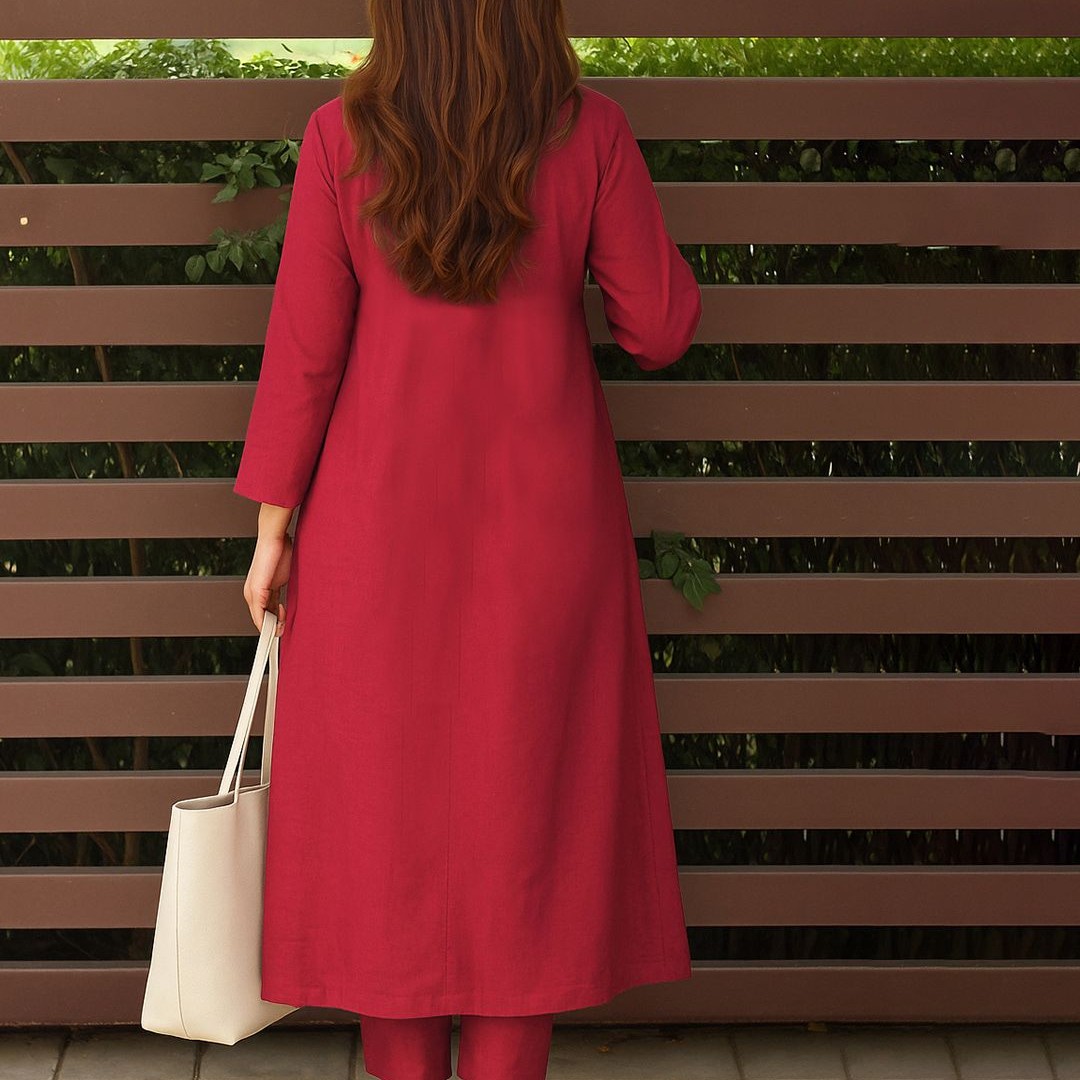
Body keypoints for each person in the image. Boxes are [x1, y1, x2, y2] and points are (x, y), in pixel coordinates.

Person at [232, 0, 703, 1076]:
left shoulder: (341, 137)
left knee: (384, 833)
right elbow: (660, 328)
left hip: (374, 534)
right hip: (546, 534)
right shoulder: (591, 132)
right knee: (527, 824)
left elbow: (305, 351)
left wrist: (271, 534)